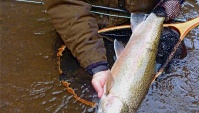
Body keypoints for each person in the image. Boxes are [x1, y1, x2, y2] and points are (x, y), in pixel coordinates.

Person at [43, 0, 186, 98]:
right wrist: (96, 65)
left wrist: (174, 2)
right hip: (86, 25)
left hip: (148, 18)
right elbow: (64, 5)